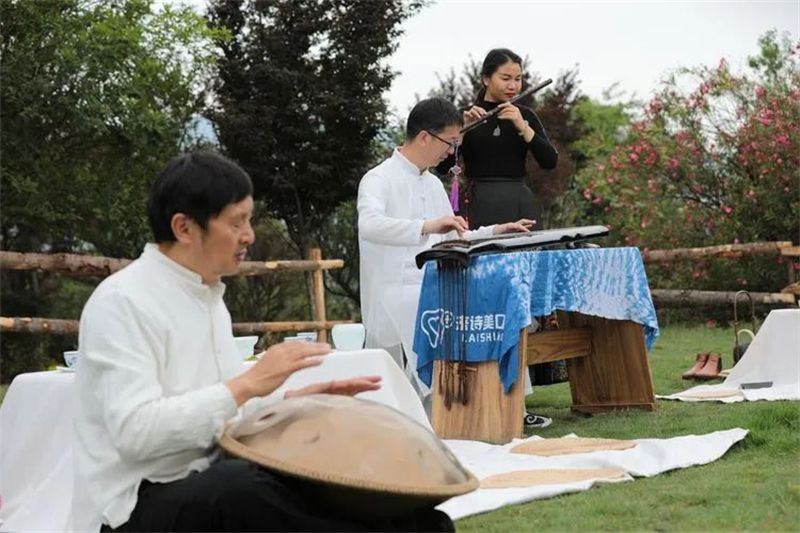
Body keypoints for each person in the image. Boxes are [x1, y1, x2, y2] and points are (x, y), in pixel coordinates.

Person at [72, 151, 454, 532]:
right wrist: (248, 385)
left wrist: (291, 405)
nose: (249, 236)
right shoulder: (122, 302)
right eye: (237, 222)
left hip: (218, 472)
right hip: (137, 504)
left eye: (249, 220)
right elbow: (135, 434)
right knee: (242, 488)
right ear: (184, 228)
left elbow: (225, 415)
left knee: (420, 520)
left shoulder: (207, 296)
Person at [357, 97, 533, 402]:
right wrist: (425, 226)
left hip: (433, 286)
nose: (452, 152)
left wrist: (495, 230)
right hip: (395, 291)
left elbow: (452, 236)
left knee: (497, 295)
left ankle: (499, 400)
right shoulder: (378, 178)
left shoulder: (433, 184)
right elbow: (369, 226)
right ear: (425, 137)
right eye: (450, 142)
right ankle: (453, 402)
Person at [442, 48, 558, 229]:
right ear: (486, 79)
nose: (513, 86)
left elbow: (550, 161)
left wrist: (522, 126)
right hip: (477, 202)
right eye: (505, 79)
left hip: (518, 201)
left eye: (518, 79)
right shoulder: (465, 116)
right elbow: (442, 167)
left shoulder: (525, 115)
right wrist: (463, 130)